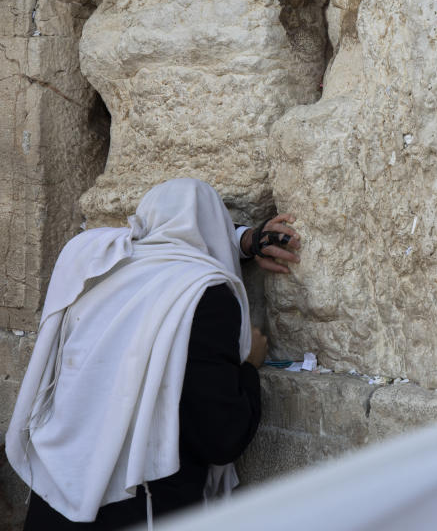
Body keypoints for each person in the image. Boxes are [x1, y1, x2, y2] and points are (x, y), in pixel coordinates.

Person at [4, 179, 300, 529]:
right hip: (139, 511)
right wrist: (249, 366)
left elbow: (175, 239)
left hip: (53, 505)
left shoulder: (98, 269)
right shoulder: (205, 297)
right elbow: (221, 437)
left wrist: (245, 241)